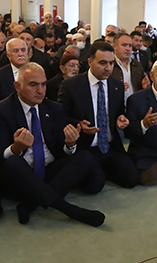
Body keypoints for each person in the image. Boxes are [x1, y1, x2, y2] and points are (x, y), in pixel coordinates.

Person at [0, 63, 105, 226]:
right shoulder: (1, 110)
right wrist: (16, 148)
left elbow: (58, 149)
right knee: (13, 162)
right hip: (18, 177)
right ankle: (70, 210)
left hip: (47, 170)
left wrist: (69, 144)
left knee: (84, 156)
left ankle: (30, 205)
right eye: (33, 85)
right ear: (17, 86)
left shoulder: (53, 108)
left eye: (43, 84)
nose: (41, 90)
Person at [58, 42, 140, 190]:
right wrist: (79, 125)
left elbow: (119, 112)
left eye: (111, 63)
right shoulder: (71, 85)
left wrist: (121, 118)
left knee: (131, 179)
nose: (108, 68)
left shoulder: (116, 85)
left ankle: (102, 170)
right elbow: (60, 116)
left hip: (110, 145)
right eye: (102, 63)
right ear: (90, 62)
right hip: (86, 147)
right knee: (94, 186)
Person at [0, 37, 29, 105]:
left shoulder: (37, 72)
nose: (20, 54)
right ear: (8, 56)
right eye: (16, 51)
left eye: (23, 50)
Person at [110, 32, 148, 101]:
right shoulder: (110, 65)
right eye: (124, 45)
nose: (128, 49)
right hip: (116, 106)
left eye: (130, 46)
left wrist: (145, 87)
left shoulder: (137, 64)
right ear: (115, 46)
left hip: (135, 106)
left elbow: (142, 88)